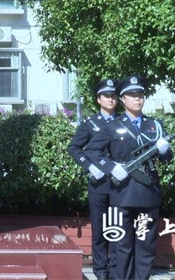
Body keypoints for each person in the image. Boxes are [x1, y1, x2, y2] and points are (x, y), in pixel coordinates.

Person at [85, 75, 174, 280]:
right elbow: (92, 152)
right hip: (120, 196)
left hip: (147, 196)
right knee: (121, 247)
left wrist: (164, 150)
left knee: (145, 246)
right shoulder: (112, 126)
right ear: (122, 99)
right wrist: (111, 167)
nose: (137, 99)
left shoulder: (155, 126)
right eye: (132, 95)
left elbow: (167, 158)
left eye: (140, 94)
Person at [67, 78, 119, 280]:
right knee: (99, 228)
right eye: (107, 96)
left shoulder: (122, 121)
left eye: (113, 96)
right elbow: (74, 147)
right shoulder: (90, 124)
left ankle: (115, 269)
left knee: (116, 228)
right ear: (99, 99)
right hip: (99, 183)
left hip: (118, 183)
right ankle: (100, 270)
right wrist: (89, 166)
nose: (111, 99)